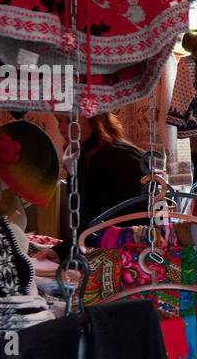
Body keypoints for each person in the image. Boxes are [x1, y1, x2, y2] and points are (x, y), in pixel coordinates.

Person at [35, 112, 148, 262]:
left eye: (71, 120)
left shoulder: (117, 158)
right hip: (110, 254)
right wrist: (61, 251)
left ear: (94, 119)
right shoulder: (83, 158)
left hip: (132, 259)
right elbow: (92, 225)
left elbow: (108, 225)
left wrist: (64, 251)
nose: (61, 128)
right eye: (59, 120)